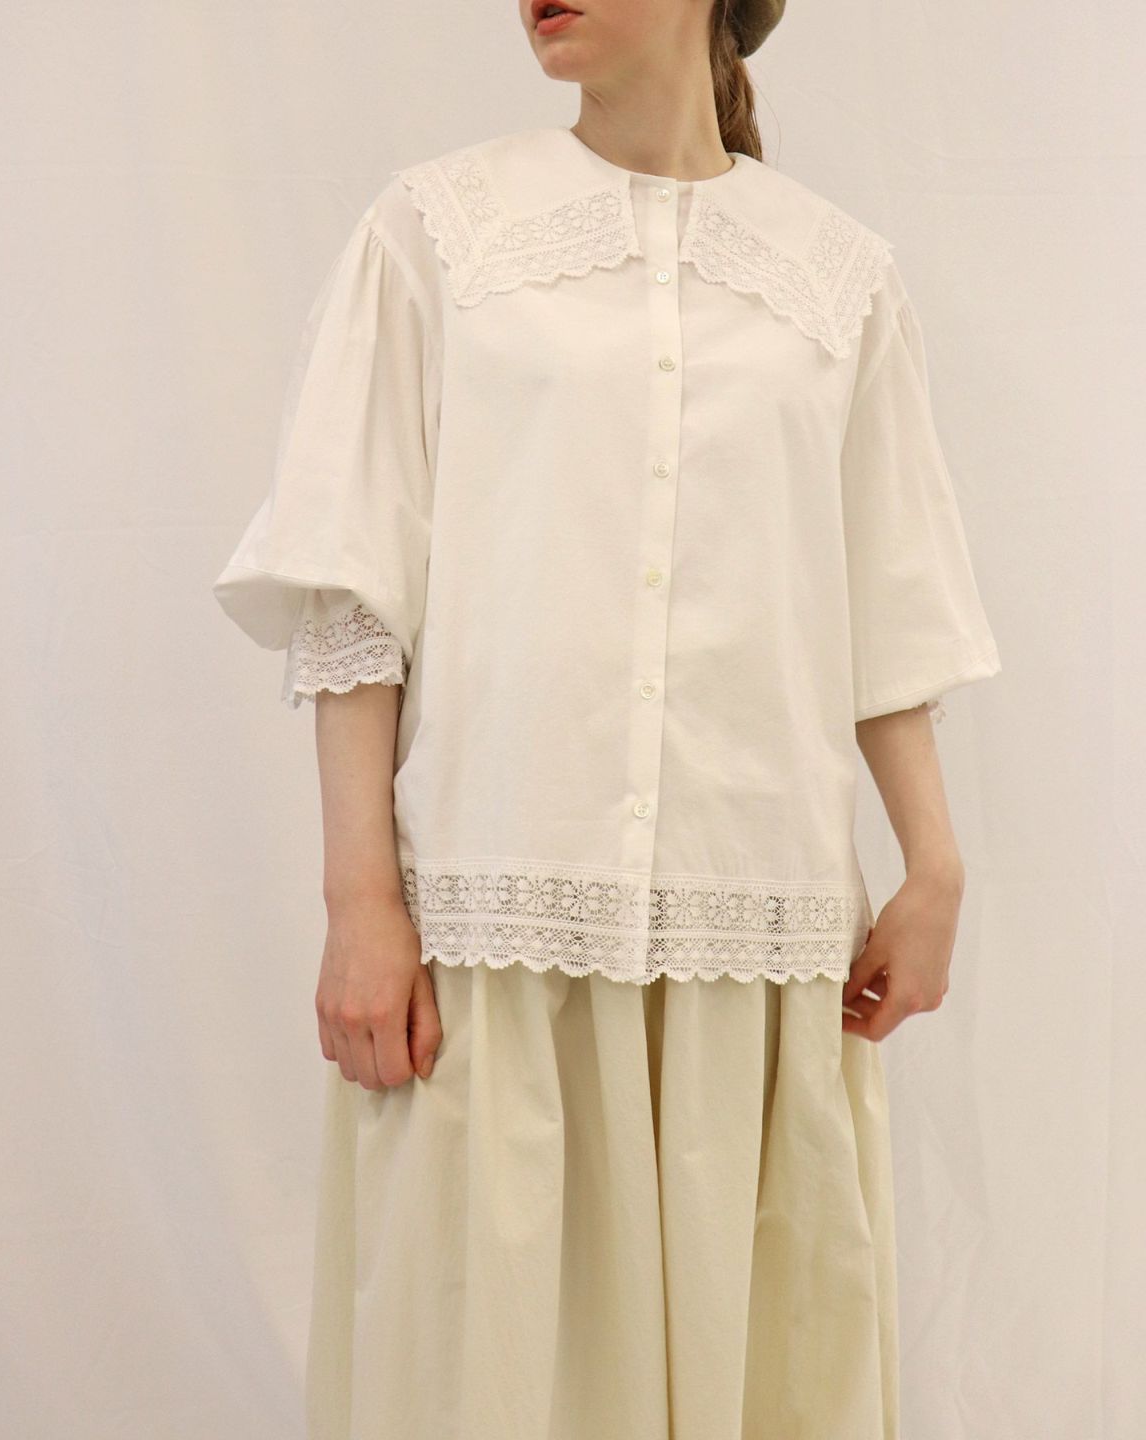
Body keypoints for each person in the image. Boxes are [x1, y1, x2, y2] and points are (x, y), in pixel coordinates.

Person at [212, 1, 1003, 1435]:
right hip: (493, 942)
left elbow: (889, 603)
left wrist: (934, 864)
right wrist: (359, 902)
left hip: (754, 941)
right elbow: (353, 589)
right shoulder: (437, 236)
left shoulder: (840, 279)